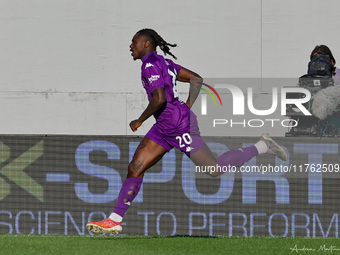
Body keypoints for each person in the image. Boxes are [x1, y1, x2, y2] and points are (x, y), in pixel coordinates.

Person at [86, 28, 287, 235]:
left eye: (134, 41)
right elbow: (197, 79)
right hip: (165, 126)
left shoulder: (150, 64)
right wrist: (187, 105)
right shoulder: (165, 62)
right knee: (135, 167)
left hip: (180, 125)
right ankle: (115, 220)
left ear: (146, 44)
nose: (131, 46)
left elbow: (160, 99)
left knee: (214, 169)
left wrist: (140, 120)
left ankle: (262, 145)